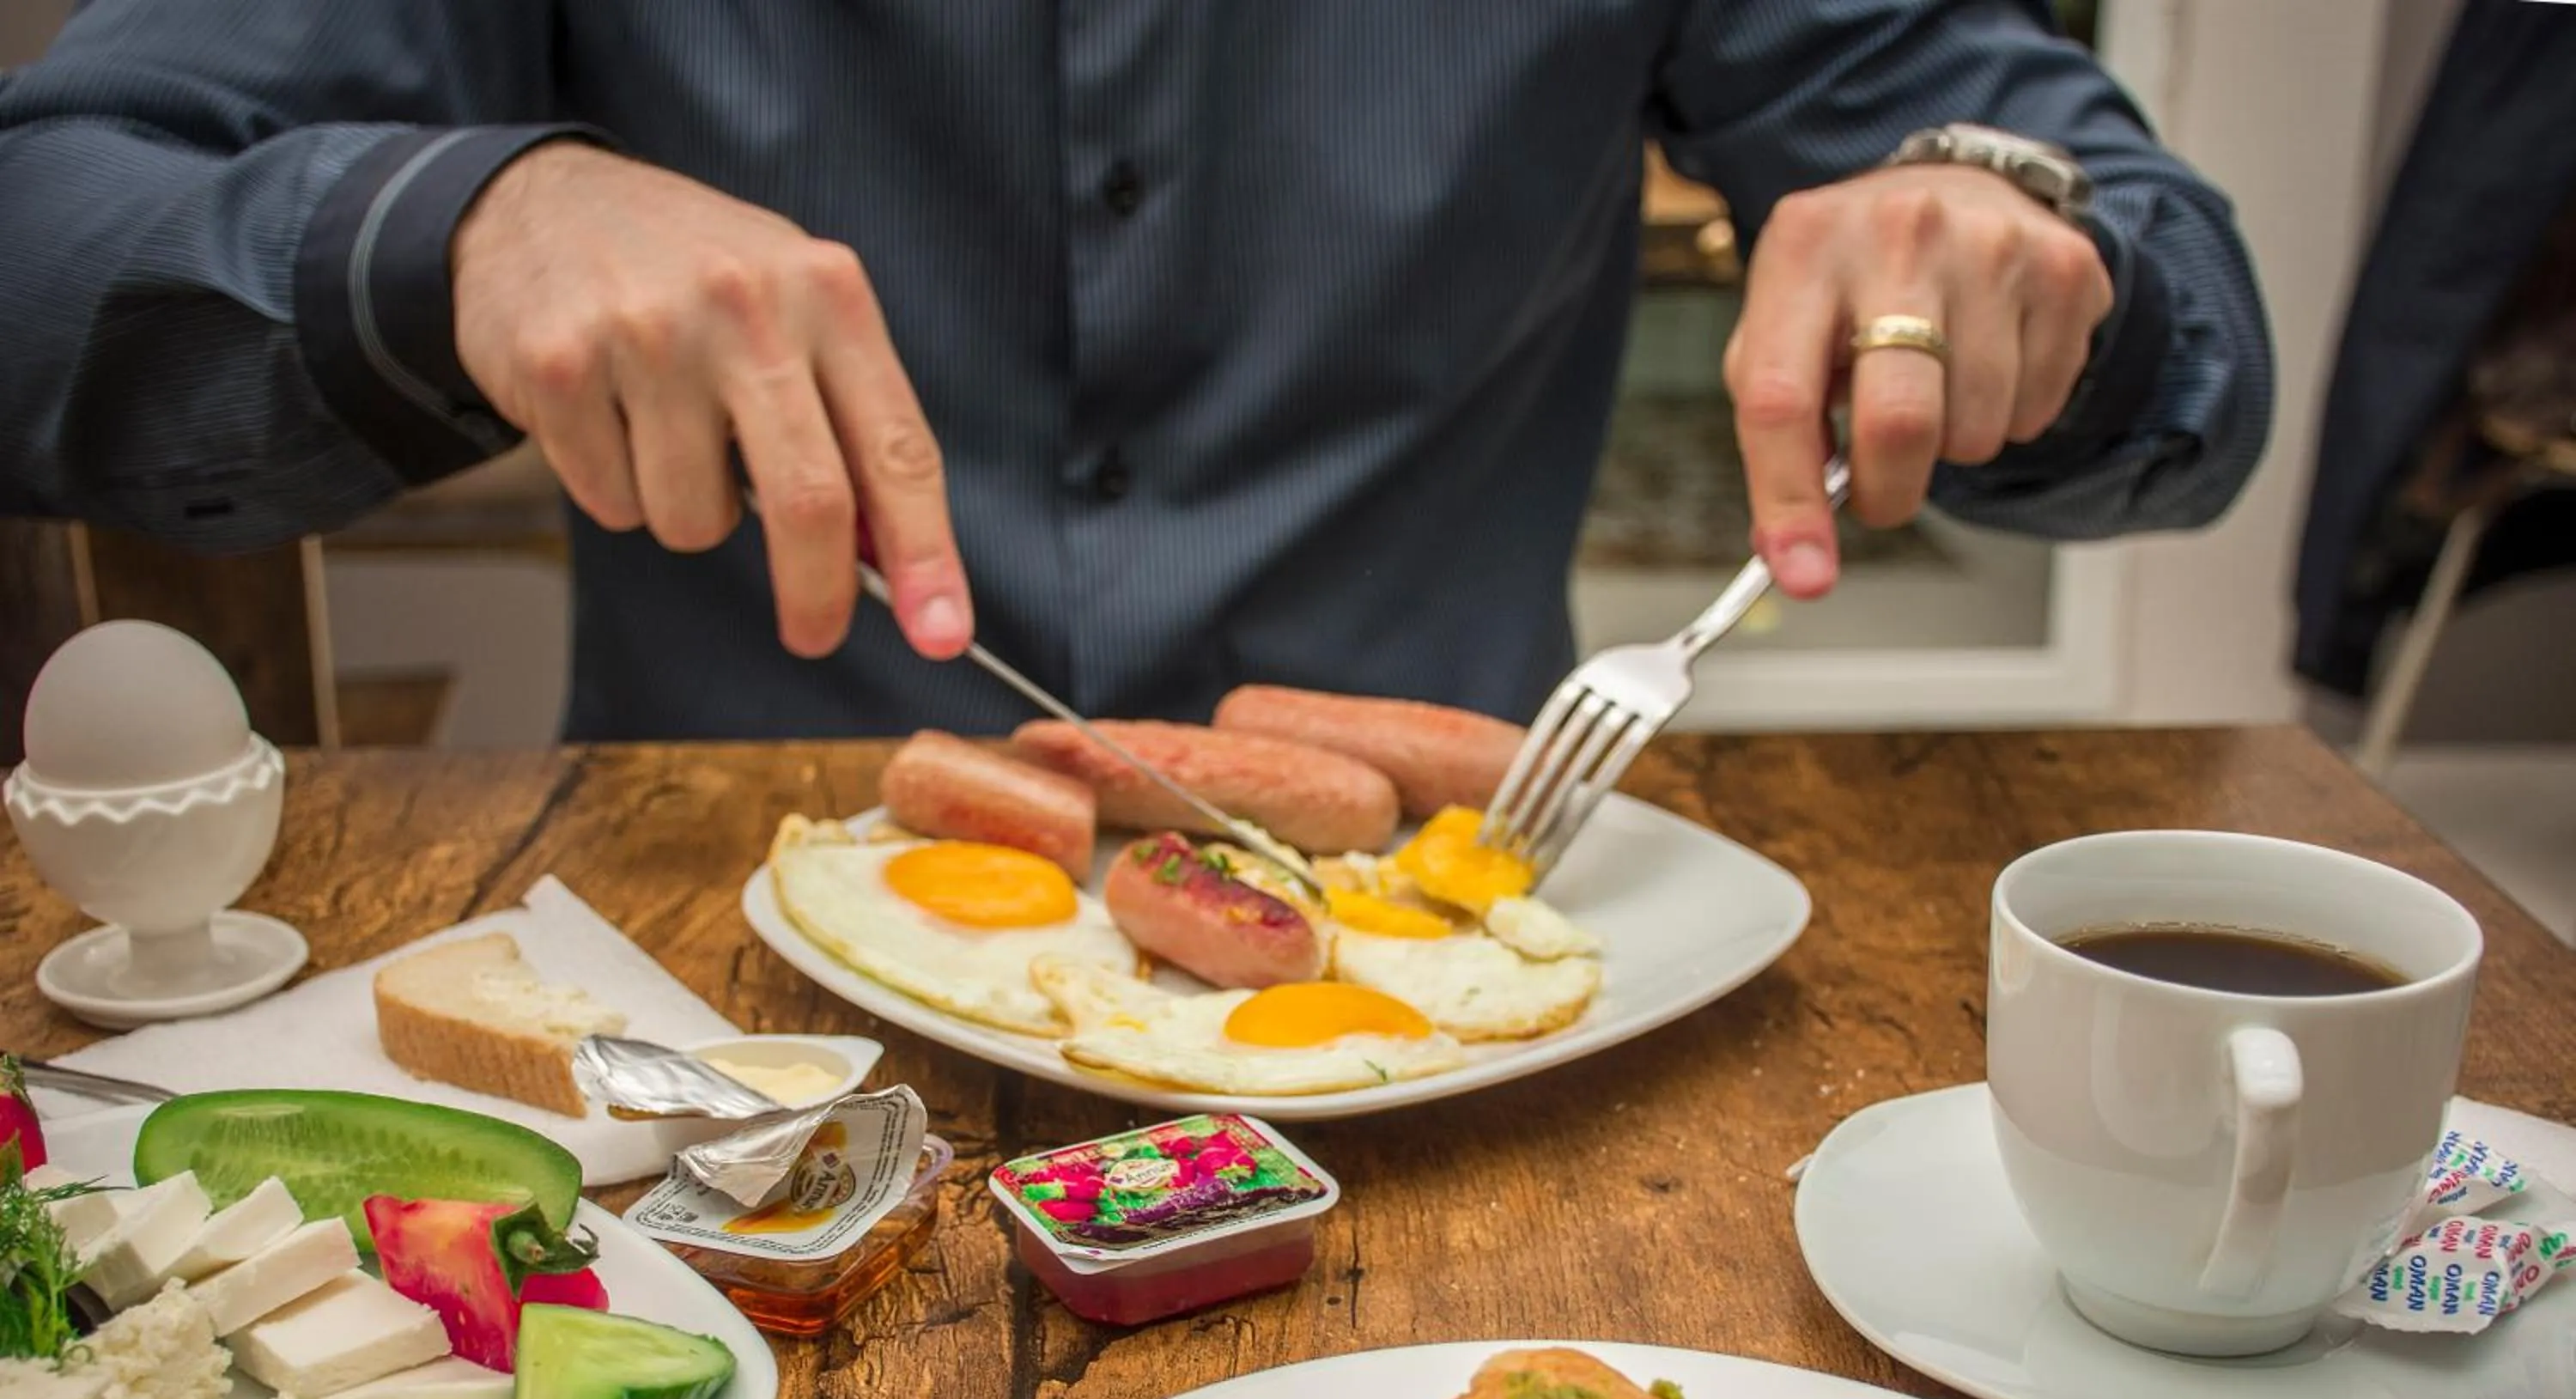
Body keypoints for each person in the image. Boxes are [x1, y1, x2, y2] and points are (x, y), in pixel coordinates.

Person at [0, 0, 2270, 740]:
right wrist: (461, 227)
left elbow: (2174, 314)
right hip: (730, 1031)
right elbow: (43, 219)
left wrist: (2004, 238)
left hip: (1478, 987)